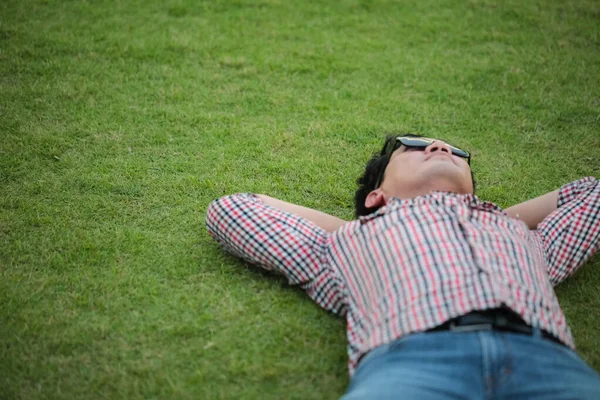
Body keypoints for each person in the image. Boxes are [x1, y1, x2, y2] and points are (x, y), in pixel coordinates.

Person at [205, 134, 600, 399]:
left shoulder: (528, 240)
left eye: (455, 153)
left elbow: (592, 193)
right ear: (376, 195)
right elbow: (233, 209)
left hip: (546, 361)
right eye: (413, 147)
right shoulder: (341, 248)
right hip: (412, 363)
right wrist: (364, 230)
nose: (441, 147)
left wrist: (493, 217)